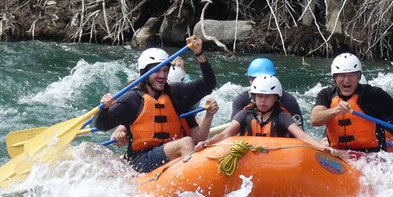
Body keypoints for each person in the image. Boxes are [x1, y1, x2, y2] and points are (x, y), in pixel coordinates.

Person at [94, 35, 218, 173]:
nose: (163, 75)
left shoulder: (175, 93)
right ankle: (195, 182)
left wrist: (199, 53)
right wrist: (104, 109)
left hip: (167, 153)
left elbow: (209, 84)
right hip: (142, 160)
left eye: (165, 70)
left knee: (192, 143)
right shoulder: (132, 99)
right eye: (157, 70)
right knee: (186, 142)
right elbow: (101, 124)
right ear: (145, 73)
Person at [310, 53, 393, 154]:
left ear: (359, 76)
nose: (346, 80)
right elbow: (315, 120)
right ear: (334, 77)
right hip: (343, 156)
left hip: (374, 155)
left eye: (351, 75)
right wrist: (335, 111)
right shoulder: (326, 95)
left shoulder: (374, 95)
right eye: (342, 76)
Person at [196, 75, 336, 155]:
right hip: (248, 158)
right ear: (254, 97)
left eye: (267, 97)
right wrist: (208, 142)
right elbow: (225, 134)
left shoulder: (281, 116)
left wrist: (322, 147)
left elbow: (301, 136)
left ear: (275, 98)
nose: (263, 101)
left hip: (275, 159)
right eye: (260, 96)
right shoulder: (245, 114)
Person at [230, 57, 303, 125]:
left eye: (269, 78)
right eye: (258, 78)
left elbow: (299, 131)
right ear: (250, 79)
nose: (264, 82)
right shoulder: (241, 100)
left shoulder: (289, 100)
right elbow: (234, 132)